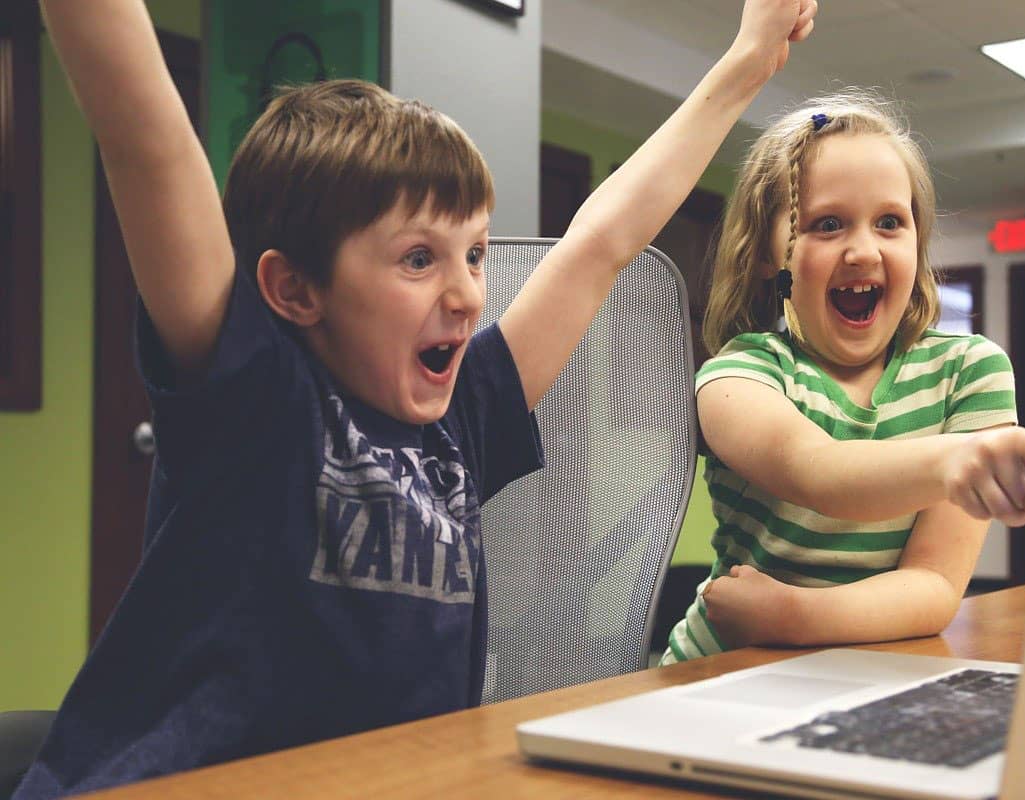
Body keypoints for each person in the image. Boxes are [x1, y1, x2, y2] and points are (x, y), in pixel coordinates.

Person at [19, 0, 818, 795]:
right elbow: (146, 146)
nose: (469, 295)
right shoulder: (252, 390)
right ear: (294, 288)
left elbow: (602, 243)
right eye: (417, 260)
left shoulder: (463, 415)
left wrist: (747, 58)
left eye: (471, 253)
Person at [662, 89, 1025, 664]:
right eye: (828, 224)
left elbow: (935, 586)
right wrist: (956, 461)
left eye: (890, 223)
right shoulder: (738, 376)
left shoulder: (970, 371)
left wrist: (793, 617)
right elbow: (819, 474)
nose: (863, 250)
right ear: (767, 253)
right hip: (723, 671)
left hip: (862, 670)